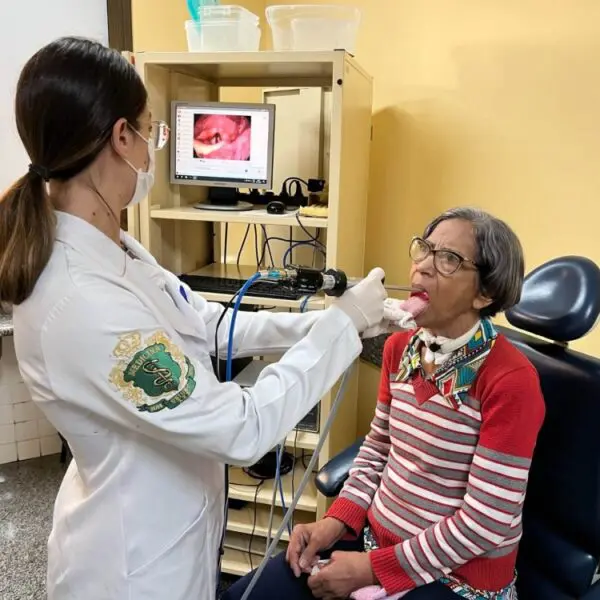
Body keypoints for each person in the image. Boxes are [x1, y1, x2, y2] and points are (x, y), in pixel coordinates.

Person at [0, 38, 390, 600]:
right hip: (134, 568)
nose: (154, 149)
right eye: (153, 132)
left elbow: (205, 323)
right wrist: (342, 328)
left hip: (171, 528)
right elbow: (240, 427)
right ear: (120, 137)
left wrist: (324, 320)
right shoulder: (78, 301)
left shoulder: (117, 249)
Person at [225, 207, 546, 600]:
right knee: (248, 595)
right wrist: (336, 522)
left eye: (448, 259)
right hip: (373, 542)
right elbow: (377, 449)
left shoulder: (510, 380)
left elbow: (485, 523)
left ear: (486, 293)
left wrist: (372, 570)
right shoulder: (401, 347)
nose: (423, 268)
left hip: (457, 578)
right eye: (425, 249)